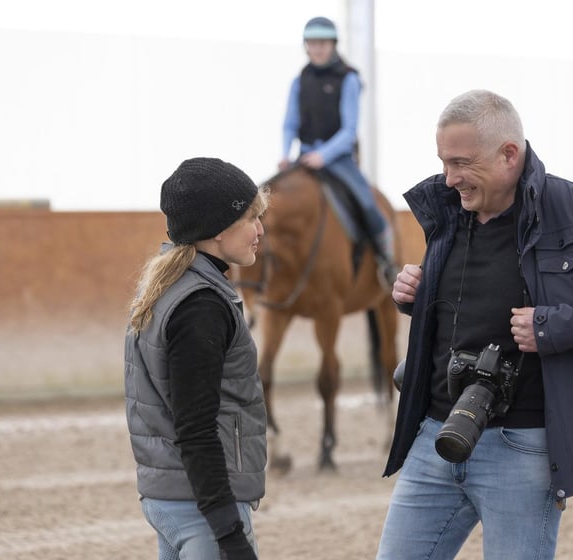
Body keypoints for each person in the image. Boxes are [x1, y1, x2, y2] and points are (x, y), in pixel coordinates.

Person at [378, 90, 573, 559]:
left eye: (461, 162)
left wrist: (553, 327)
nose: (449, 177)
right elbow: (470, 300)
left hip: (521, 448)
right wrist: (418, 297)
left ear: (509, 154)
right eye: (443, 161)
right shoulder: (447, 207)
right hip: (434, 437)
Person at [124, 157, 269, 560]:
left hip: (173, 495)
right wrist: (229, 531)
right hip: (203, 506)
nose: (260, 230)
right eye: (251, 218)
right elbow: (197, 428)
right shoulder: (200, 306)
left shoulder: (172, 287)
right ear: (219, 230)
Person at [279, 15, 396, 287]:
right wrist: (286, 154)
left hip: (338, 158)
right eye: (312, 43)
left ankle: (387, 262)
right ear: (305, 46)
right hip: (305, 157)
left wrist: (324, 156)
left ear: (333, 45)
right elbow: (290, 123)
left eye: (323, 43)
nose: (317, 48)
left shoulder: (349, 79)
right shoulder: (300, 80)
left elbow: (349, 131)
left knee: (368, 204)